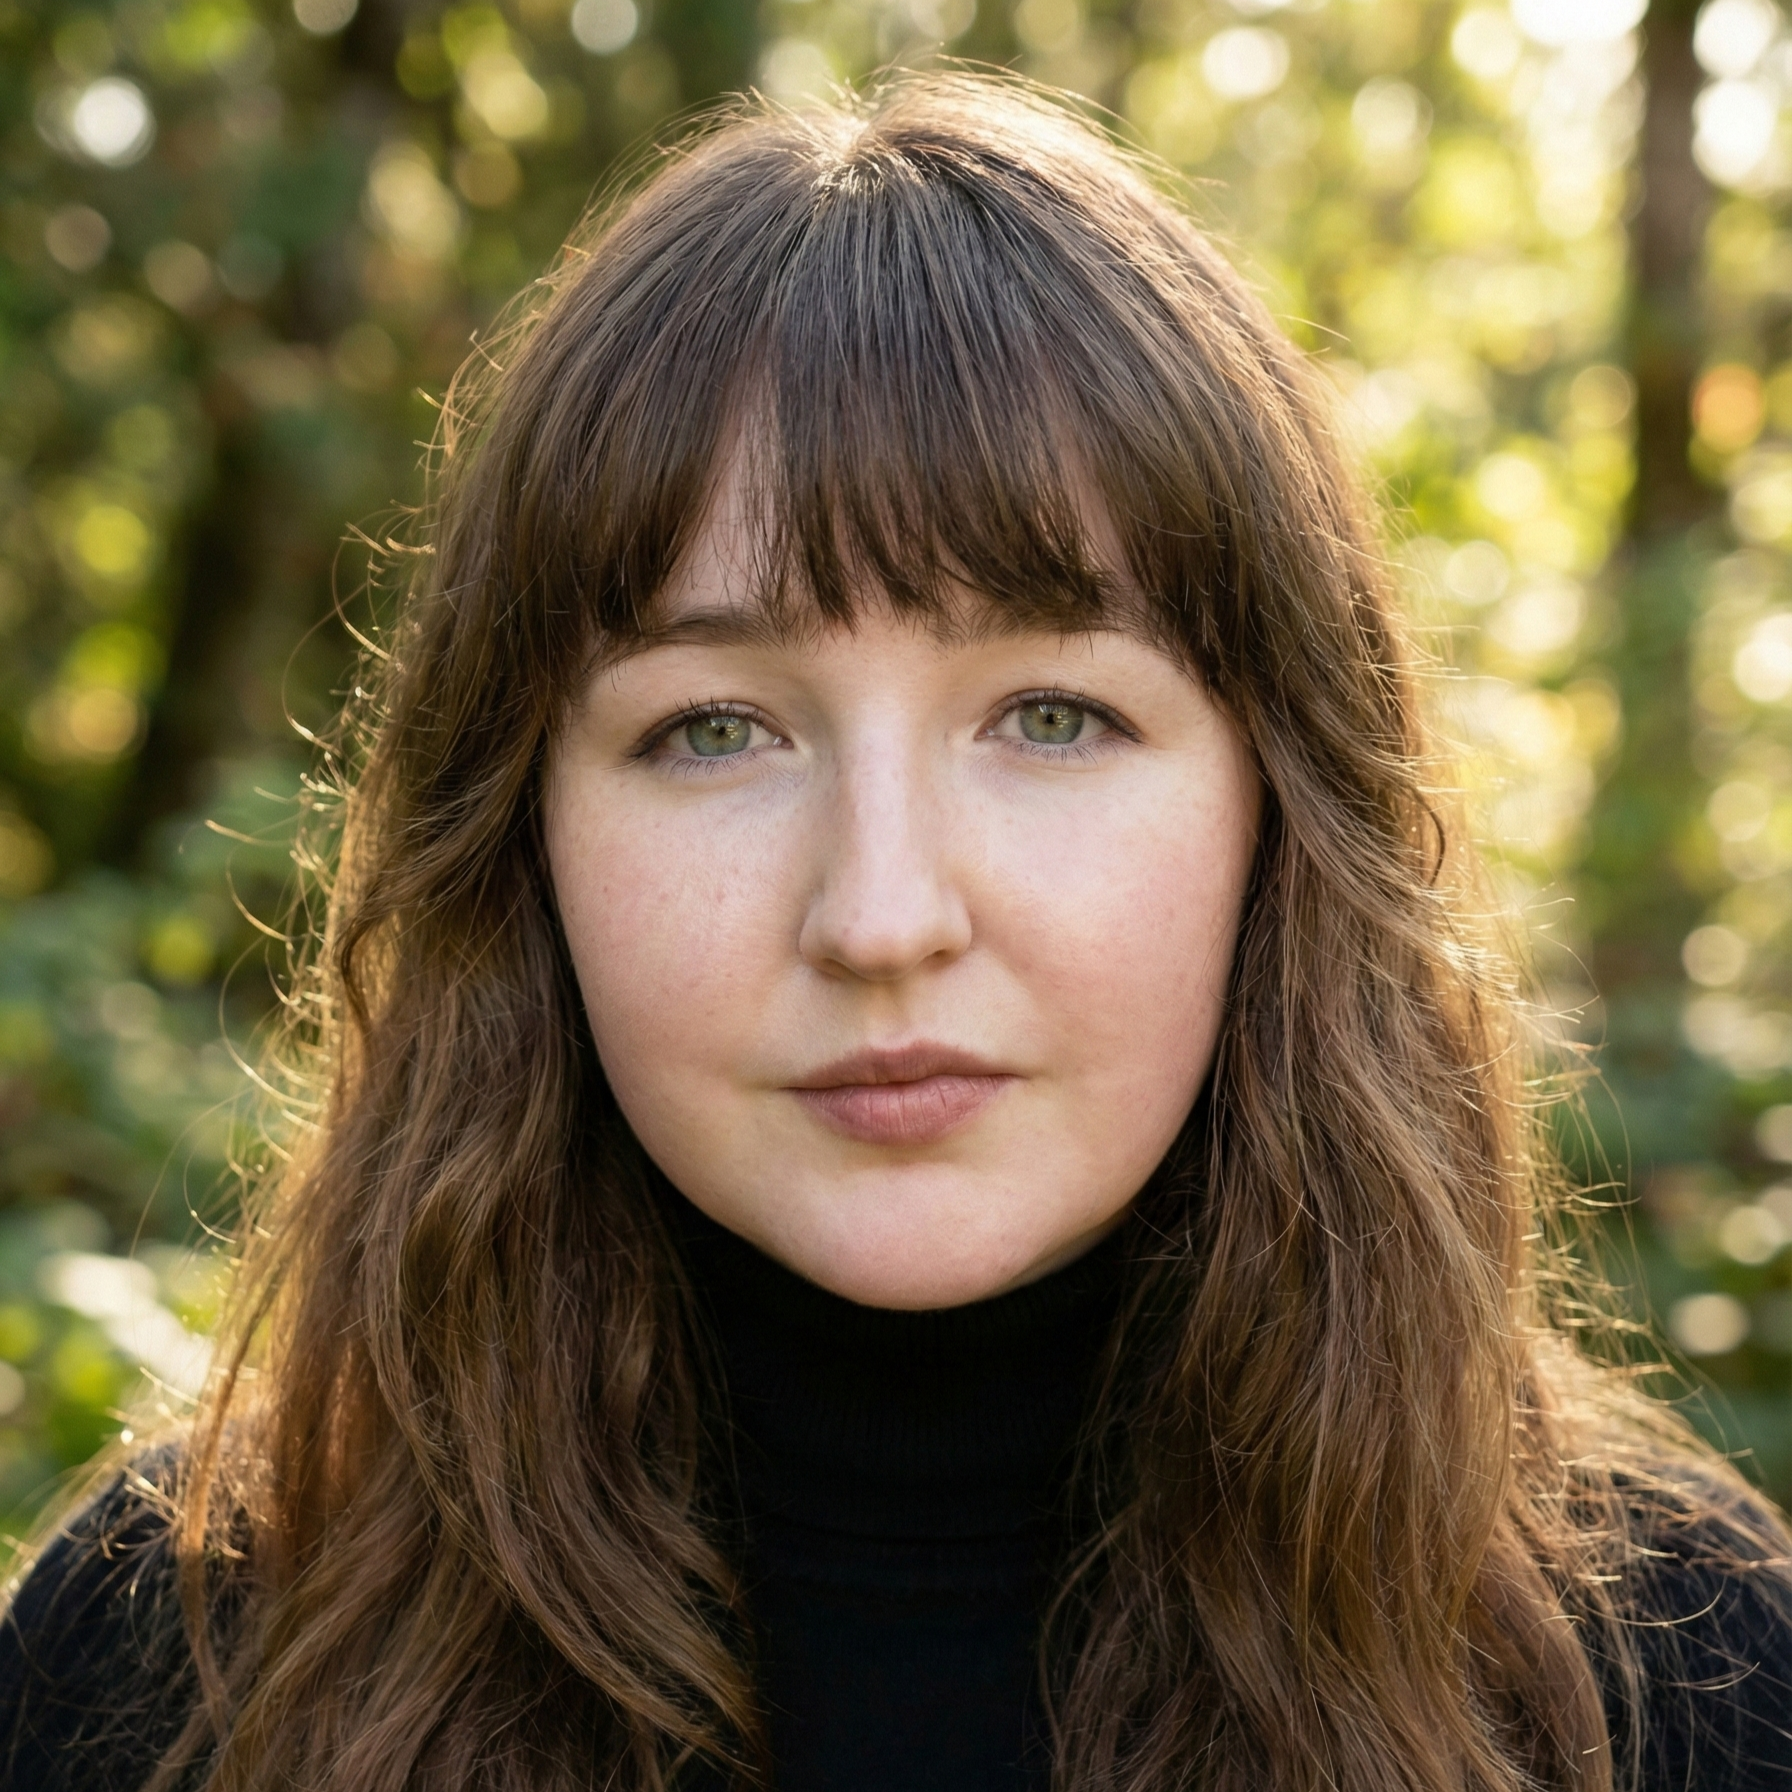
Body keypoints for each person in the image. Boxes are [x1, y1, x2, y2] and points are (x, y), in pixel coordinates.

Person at [2, 69, 1790, 1792]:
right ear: (520, 835)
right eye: (715, 730)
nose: (880, 916)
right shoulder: (162, 1666)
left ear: (1284, 806)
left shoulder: (1682, 1678)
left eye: (1052, 717)